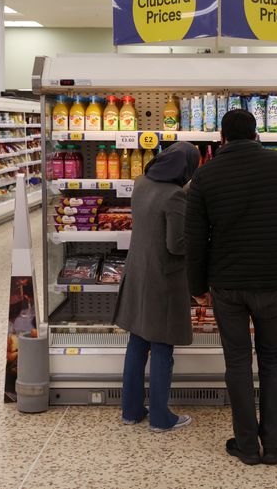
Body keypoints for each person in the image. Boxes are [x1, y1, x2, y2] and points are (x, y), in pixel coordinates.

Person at [185, 109, 277, 465]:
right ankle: (273, 443)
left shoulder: (205, 175)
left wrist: (196, 285)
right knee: (274, 359)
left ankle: (247, 445)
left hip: (227, 282)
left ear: (221, 140)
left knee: (238, 362)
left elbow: (194, 239)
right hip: (272, 279)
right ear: (257, 135)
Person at [113, 142, 201, 432]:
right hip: (163, 278)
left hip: (137, 271)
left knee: (137, 343)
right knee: (163, 347)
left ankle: (131, 410)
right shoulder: (175, 196)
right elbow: (176, 245)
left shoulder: (142, 183)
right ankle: (162, 418)